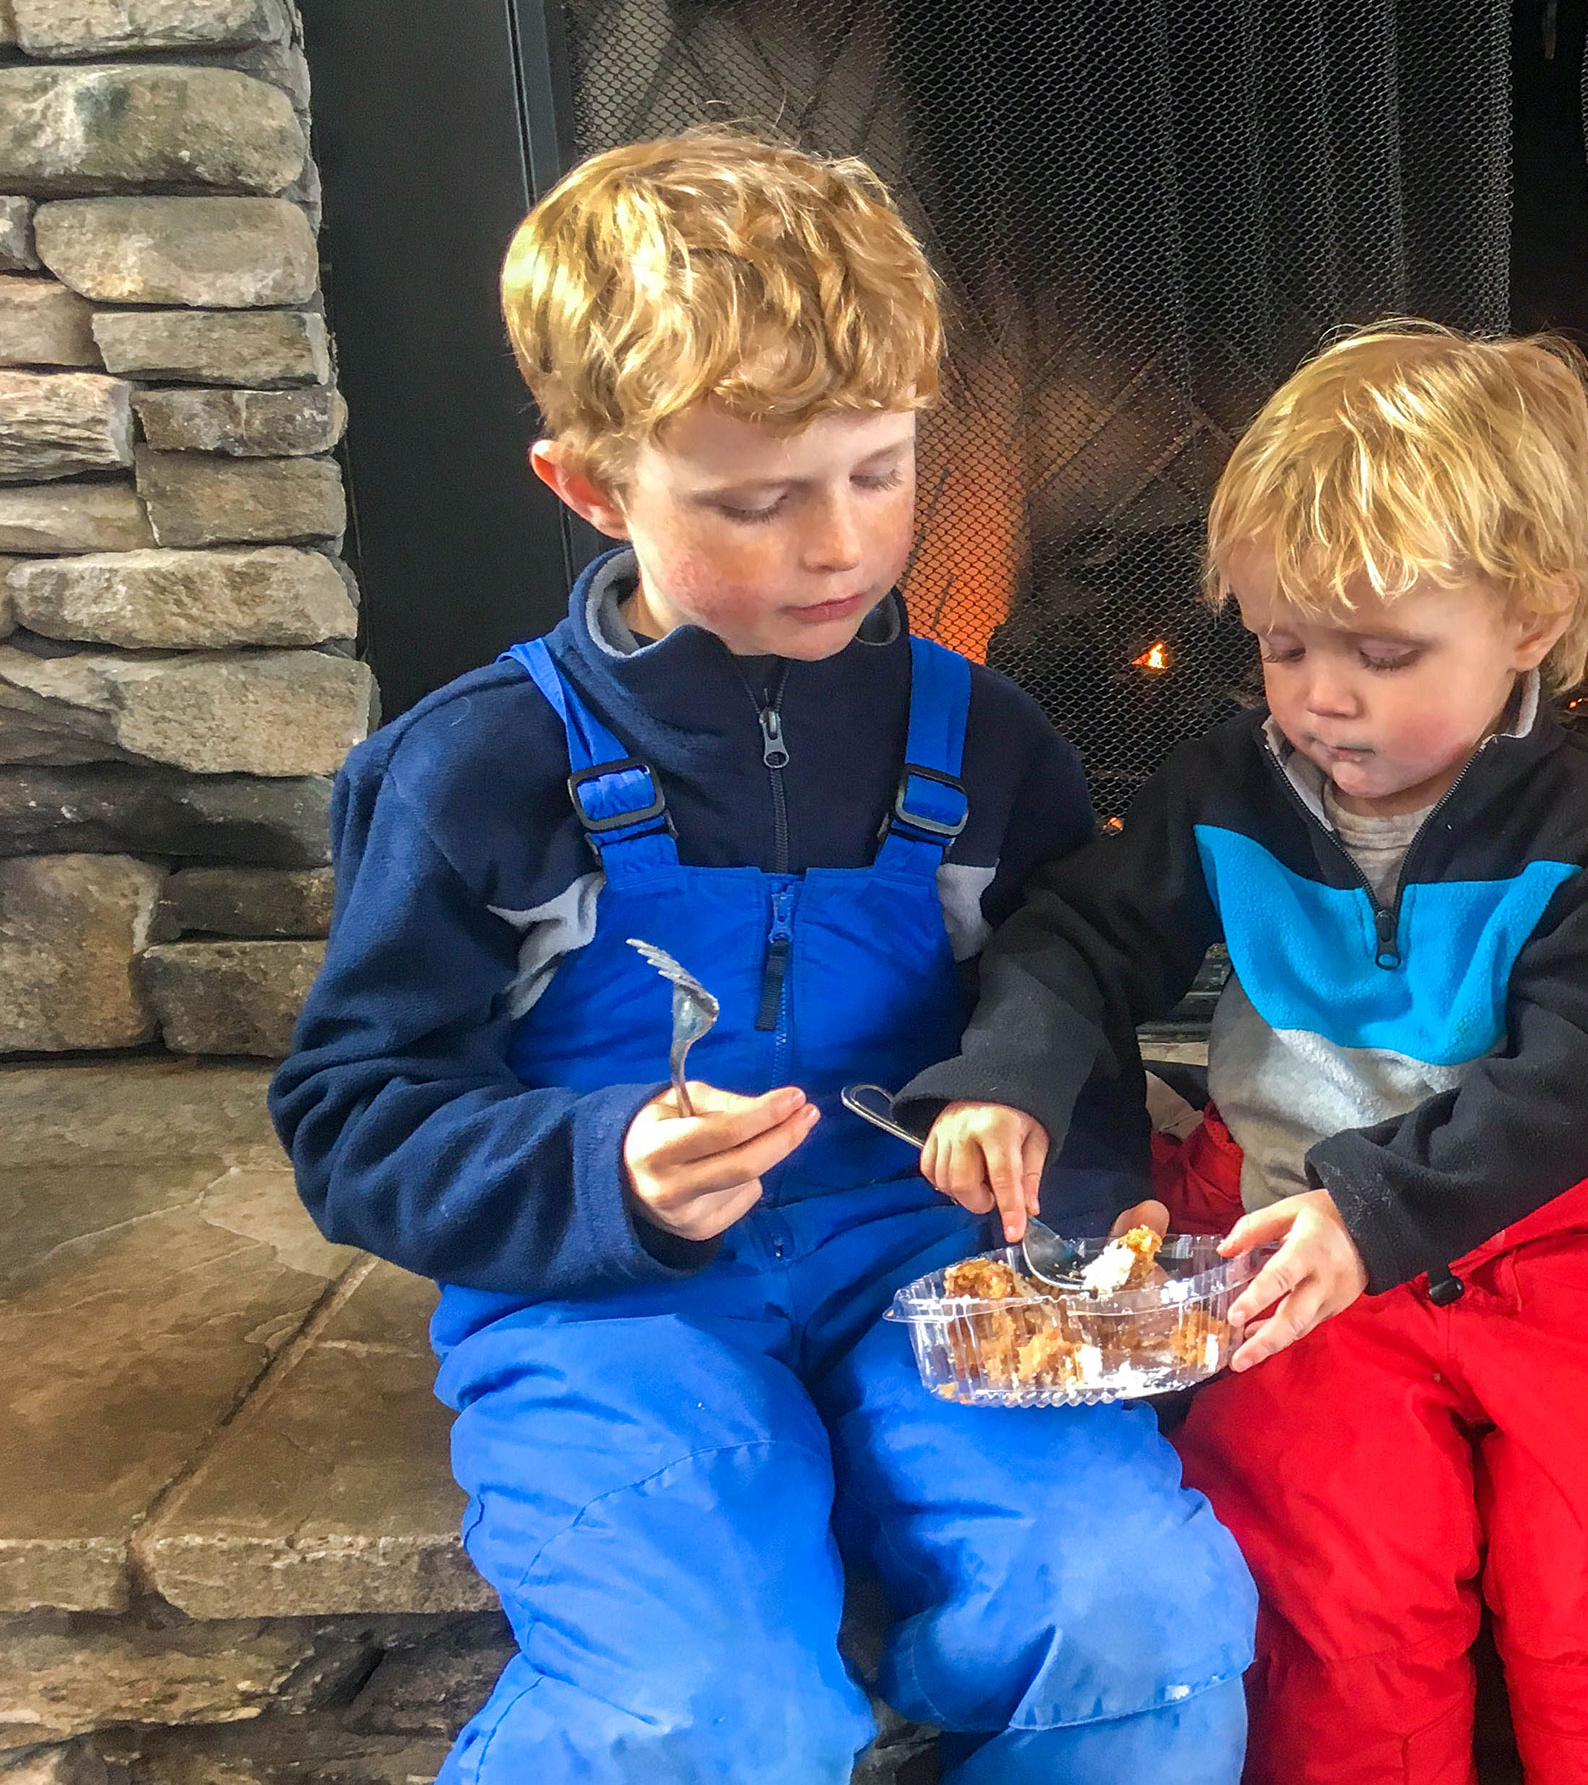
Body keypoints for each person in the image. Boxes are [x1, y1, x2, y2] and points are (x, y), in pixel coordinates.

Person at [269, 129, 1255, 1785]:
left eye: (880, 470)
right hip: (608, 1308)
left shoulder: (988, 740)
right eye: (753, 501)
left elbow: (1066, 1010)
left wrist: (1070, 1229)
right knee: (702, 1710)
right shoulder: (476, 770)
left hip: (937, 1275)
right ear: (590, 487)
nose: (840, 545)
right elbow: (355, 1115)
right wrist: (602, 1171)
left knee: (1138, 1619)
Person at [898, 321, 1588, 1784]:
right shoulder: (1227, 791)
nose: (1324, 695)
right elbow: (1078, 939)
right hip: (1291, 1242)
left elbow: (1582, 1077)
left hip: (1570, 1238)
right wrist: (1010, 1076)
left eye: (1386, 655)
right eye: (1285, 646)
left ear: (1529, 623)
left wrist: (1378, 1210)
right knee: (1331, 1579)